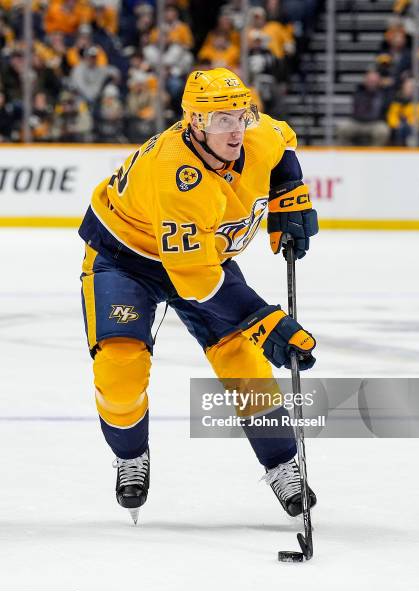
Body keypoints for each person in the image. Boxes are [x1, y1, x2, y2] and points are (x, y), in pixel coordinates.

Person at [78, 68, 319, 524]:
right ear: (194, 122)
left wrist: (290, 192)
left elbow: (284, 140)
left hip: (201, 258)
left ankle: (283, 464)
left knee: (245, 366)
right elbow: (194, 280)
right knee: (120, 367)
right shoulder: (177, 177)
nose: (236, 129)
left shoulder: (255, 135)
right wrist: (263, 318)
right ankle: (130, 453)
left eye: (241, 114)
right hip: (125, 257)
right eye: (221, 119)